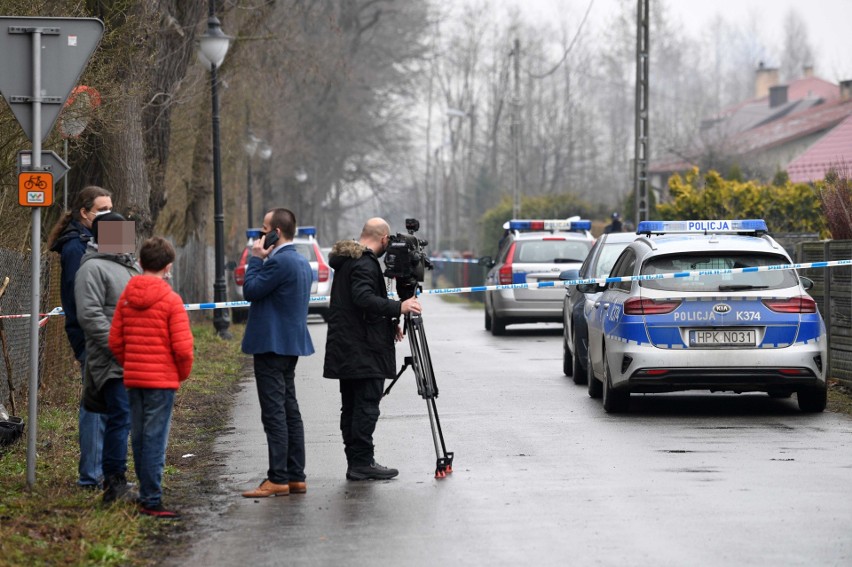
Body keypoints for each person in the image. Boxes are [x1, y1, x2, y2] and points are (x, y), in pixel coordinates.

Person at [323, 218, 422, 481]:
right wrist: (398, 308)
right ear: (383, 239)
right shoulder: (365, 263)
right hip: (362, 349)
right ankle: (362, 463)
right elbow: (363, 298)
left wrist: (387, 322)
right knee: (365, 406)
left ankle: (357, 461)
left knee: (353, 406)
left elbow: (359, 305)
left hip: (350, 345)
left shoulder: (348, 260)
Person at [109, 237, 194, 518]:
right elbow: (182, 348)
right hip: (162, 382)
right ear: (168, 267)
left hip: (133, 379)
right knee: (156, 439)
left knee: (140, 437)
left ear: (141, 263)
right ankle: (152, 499)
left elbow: (115, 340)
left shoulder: (127, 296)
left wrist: (130, 363)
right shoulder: (171, 300)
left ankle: (146, 492)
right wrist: (179, 374)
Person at [240, 208, 314, 498]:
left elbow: (251, 290)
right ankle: (295, 476)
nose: (260, 233)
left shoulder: (278, 262)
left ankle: (278, 478)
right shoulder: (300, 261)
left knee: (274, 413)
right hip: (289, 344)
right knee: (289, 410)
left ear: (276, 232)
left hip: (272, 345)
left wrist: (255, 259)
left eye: (264, 228)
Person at [47, 186, 112, 489]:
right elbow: (80, 299)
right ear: (85, 213)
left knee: (109, 406)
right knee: (95, 407)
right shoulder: (76, 247)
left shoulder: (104, 237)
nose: (108, 215)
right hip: (92, 337)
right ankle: (91, 476)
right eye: (101, 210)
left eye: (111, 209)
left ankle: (104, 470)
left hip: (111, 334)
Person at [75, 212, 141, 504]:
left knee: (125, 419)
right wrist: (119, 347)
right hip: (110, 361)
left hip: (133, 357)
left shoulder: (128, 266)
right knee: (120, 418)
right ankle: (114, 483)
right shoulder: (92, 269)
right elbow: (90, 315)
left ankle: (119, 479)